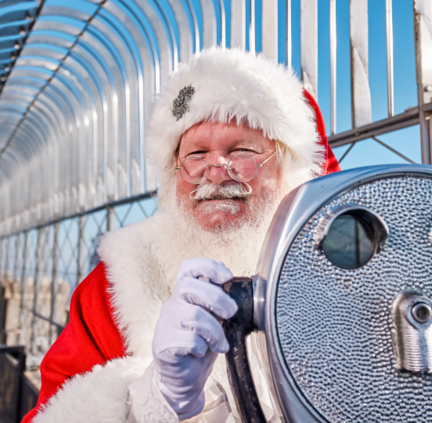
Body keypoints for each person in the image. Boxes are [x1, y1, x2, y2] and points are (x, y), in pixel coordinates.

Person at [23, 48, 340, 423]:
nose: (216, 172)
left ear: (289, 168)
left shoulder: (351, 265)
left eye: (241, 150)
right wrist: (152, 400)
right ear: (173, 175)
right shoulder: (116, 285)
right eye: (196, 153)